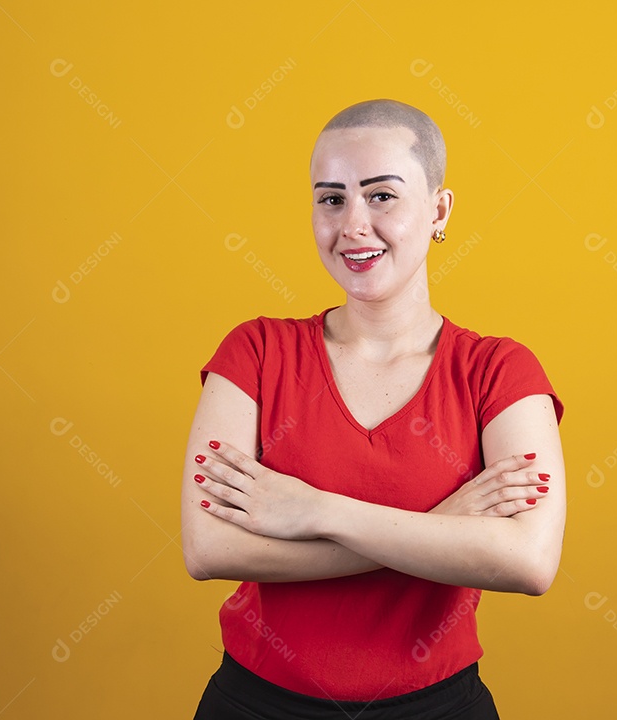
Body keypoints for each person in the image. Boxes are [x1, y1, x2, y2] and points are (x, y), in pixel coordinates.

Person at [182, 98, 565, 719]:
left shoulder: (498, 370)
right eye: (332, 199)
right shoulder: (256, 351)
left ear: (439, 210)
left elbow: (528, 561)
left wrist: (314, 511)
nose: (353, 225)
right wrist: (439, 526)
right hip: (255, 705)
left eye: (381, 195)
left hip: (438, 709)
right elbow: (208, 548)